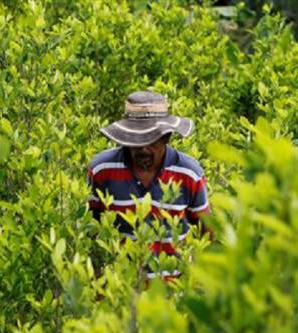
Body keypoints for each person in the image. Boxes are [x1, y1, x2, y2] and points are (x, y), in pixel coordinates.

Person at [87, 91, 210, 281]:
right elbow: (91, 230)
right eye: (136, 141)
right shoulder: (102, 169)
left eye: (151, 140)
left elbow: (206, 233)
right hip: (120, 287)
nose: (143, 149)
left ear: (166, 137)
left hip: (173, 289)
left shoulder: (188, 173)